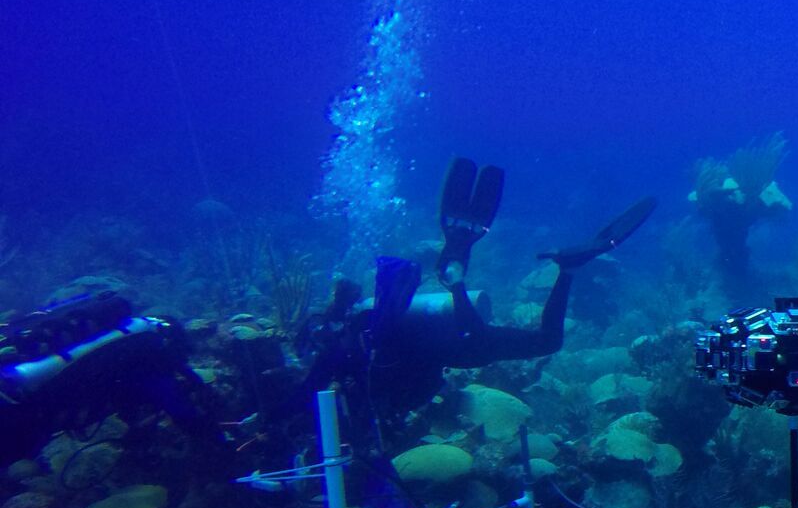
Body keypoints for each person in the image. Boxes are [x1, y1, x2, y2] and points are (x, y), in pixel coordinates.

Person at [297, 157, 655, 447]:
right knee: (546, 340)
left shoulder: (350, 360)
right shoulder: (356, 352)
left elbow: (461, 338)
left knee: (532, 339)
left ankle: (473, 260)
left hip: (449, 344)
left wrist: (457, 289)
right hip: (447, 344)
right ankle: (561, 268)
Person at [0, 288, 226, 466]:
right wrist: (216, 436)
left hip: (17, 394)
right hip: (28, 416)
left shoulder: (120, 340)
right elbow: (178, 408)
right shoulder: (147, 353)